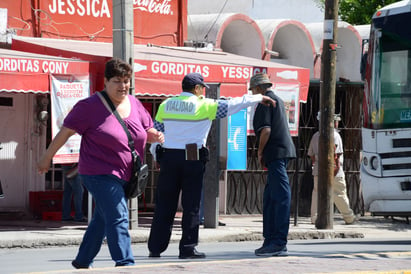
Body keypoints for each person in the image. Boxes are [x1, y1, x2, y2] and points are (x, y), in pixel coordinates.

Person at [37, 58, 164, 269]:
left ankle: (83, 260)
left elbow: (143, 132)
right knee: (118, 215)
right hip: (98, 172)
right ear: (105, 81)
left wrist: (155, 136)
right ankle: (125, 263)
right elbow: (65, 132)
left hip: (126, 173)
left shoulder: (135, 103)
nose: (122, 86)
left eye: (126, 81)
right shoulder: (89, 106)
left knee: (102, 219)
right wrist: (47, 157)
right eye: (116, 81)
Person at [147, 72, 275, 259]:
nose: (204, 93)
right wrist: (257, 97)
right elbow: (232, 105)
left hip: (169, 157)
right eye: (202, 89)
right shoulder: (204, 105)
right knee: (191, 206)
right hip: (192, 157)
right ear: (197, 89)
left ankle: (155, 247)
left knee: (164, 204)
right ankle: (187, 248)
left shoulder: (166, 104)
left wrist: (157, 156)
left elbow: (156, 134)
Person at [250, 73, 296, 257]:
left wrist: (260, 152)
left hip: (275, 153)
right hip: (278, 154)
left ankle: (278, 242)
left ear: (260, 88)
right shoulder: (275, 99)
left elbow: (266, 130)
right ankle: (270, 239)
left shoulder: (266, 102)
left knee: (279, 197)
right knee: (270, 198)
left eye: (253, 90)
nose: (253, 93)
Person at [307, 112, 356, 225]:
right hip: (334, 170)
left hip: (318, 170)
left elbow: (312, 155)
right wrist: (335, 170)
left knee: (317, 193)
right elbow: (337, 156)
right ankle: (348, 217)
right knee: (339, 193)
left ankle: (314, 218)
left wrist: (317, 165)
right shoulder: (335, 135)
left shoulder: (316, 135)